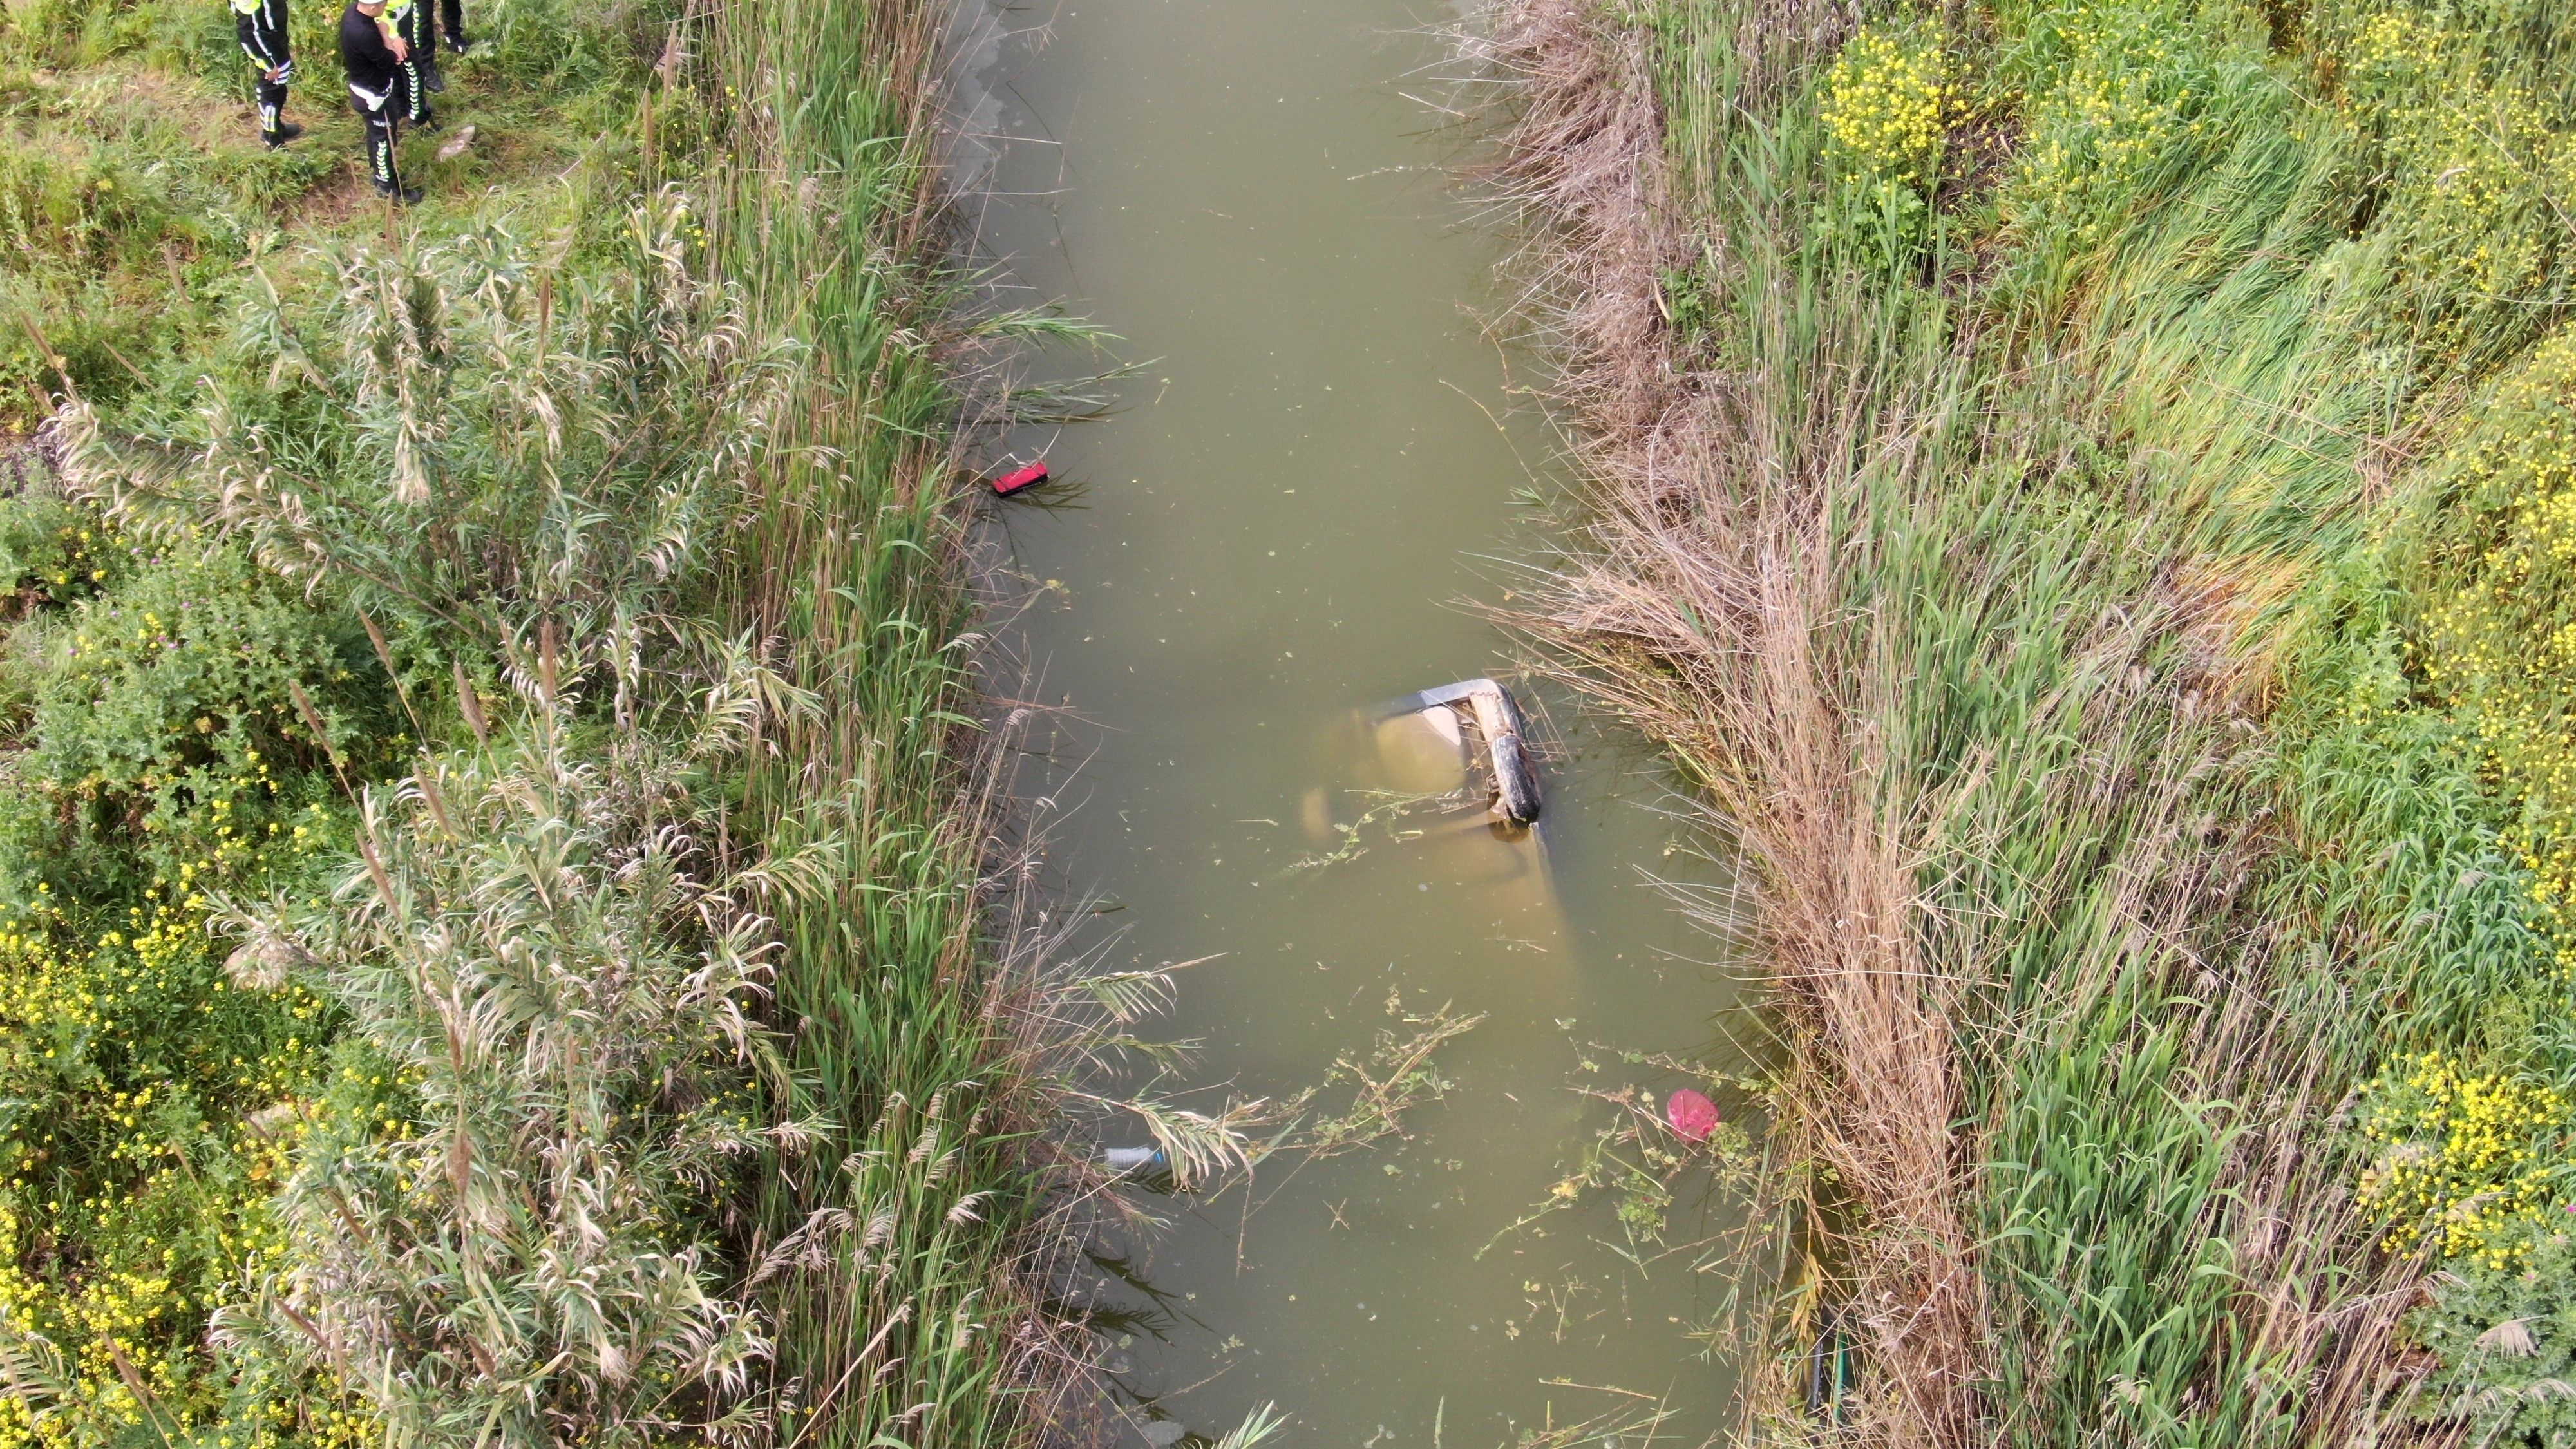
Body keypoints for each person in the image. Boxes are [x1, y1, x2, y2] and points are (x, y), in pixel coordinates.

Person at [340, 0, 421, 203]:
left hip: (364, 90)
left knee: (377, 134)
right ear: (373, 7)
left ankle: (378, 173)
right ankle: (388, 187)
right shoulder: (365, 34)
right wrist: (386, 34)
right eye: (384, 4)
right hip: (372, 96)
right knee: (384, 139)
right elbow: (390, 60)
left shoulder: (353, 12)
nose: (386, 8)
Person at [231, 0, 303, 149]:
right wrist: (265, 62)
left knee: (279, 87)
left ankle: (276, 127)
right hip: (266, 45)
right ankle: (273, 140)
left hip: (275, 34)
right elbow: (247, 31)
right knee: (272, 93)